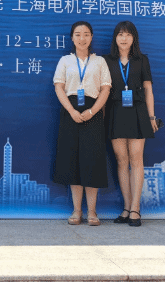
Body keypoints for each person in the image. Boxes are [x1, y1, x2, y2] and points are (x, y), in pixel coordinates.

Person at [53, 21, 111, 226]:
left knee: (92, 161)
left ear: (91, 37)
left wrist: (92, 111)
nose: (82, 38)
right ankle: (77, 211)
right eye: (78, 34)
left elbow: (105, 89)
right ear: (72, 38)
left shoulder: (100, 61)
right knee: (73, 161)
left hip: (93, 112)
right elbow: (59, 87)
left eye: (86, 34)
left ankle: (92, 212)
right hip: (70, 112)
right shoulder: (65, 61)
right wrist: (71, 110)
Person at [104, 21, 158, 227]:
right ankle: (126, 208)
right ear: (115, 38)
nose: (124, 38)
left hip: (138, 112)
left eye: (128, 34)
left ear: (134, 38)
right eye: (120, 34)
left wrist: (151, 117)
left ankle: (136, 208)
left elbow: (148, 90)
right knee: (121, 160)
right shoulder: (106, 60)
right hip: (115, 111)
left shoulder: (142, 60)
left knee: (136, 159)